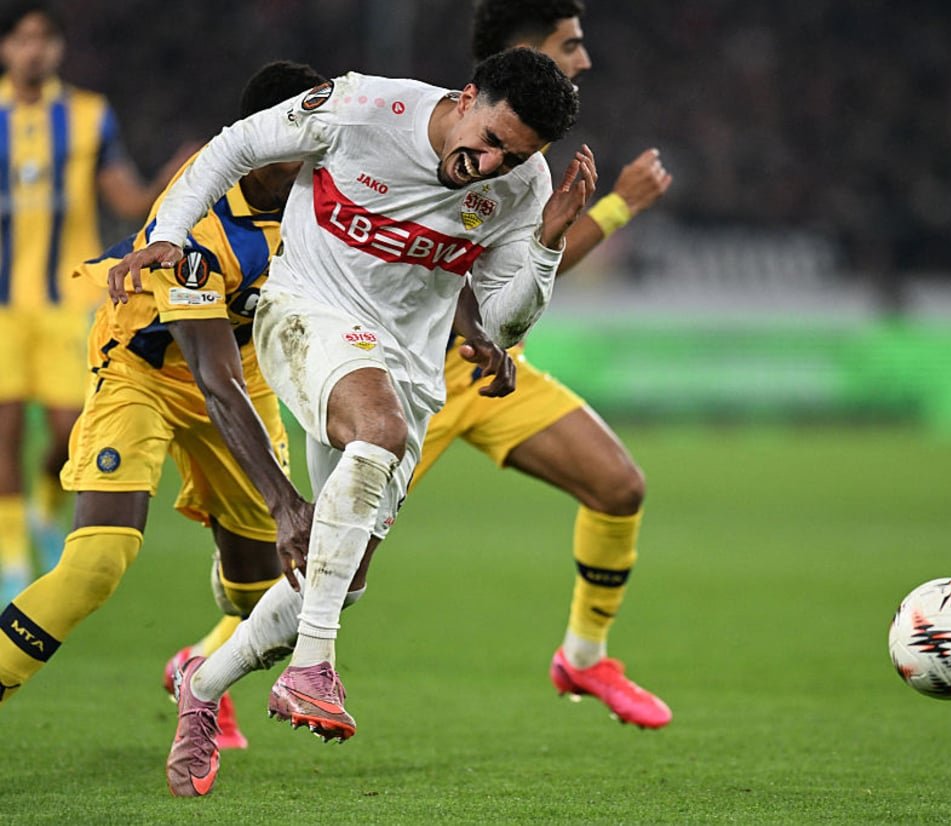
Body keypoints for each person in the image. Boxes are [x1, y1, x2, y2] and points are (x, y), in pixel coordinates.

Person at [108, 47, 590, 796]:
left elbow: (499, 324)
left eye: (516, 155)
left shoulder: (523, 186)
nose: (492, 165)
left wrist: (547, 245)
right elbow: (235, 145)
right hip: (307, 313)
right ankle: (312, 667)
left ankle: (202, 685)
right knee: (379, 432)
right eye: (492, 140)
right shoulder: (365, 108)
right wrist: (170, 228)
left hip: (409, 370)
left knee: (339, 573)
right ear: (466, 97)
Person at [0, 63, 336, 733]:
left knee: (262, 595)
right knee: (97, 562)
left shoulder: (326, 198)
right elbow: (211, 376)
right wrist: (284, 501)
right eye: (304, 138)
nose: (319, 154)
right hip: (146, 371)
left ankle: (196, 666)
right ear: (263, 135)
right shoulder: (199, 217)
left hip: (244, 373)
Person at [415, 0, 674, 727]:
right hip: (414, 375)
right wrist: (619, 207)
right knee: (327, 558)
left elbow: (528, 274)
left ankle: (584, 658)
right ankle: (207, 662)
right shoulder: (465, 142)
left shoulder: (525, 147)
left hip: (489, 371)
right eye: (571, 43)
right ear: (529, 49)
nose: (584, 58)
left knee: (617, 487)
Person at [0, 2, 192, 600]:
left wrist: (174, 176)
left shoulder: (87, 116)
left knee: (69, 428)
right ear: (6, 47)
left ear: (59, 48)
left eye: (45, 38)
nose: (34, 50)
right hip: (2, 307)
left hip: (67, 301)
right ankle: (11, 563)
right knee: (4, 431)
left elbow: (128, 201)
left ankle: (47, 498)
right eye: (22, 38)